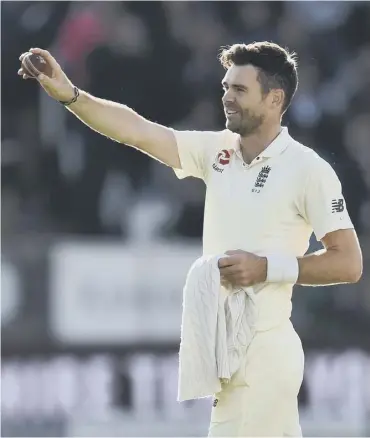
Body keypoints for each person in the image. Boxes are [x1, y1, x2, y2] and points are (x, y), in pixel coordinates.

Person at [18, 41, 363, 436]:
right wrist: (70, 95)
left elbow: (348, 262)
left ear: (274, 99)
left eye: (239, 90)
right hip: (229, 355)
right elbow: (138, 132)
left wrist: (267, 268)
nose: (227, 99)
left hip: (263, 355)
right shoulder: (218, 151)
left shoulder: (308, 170)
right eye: (225, 88)